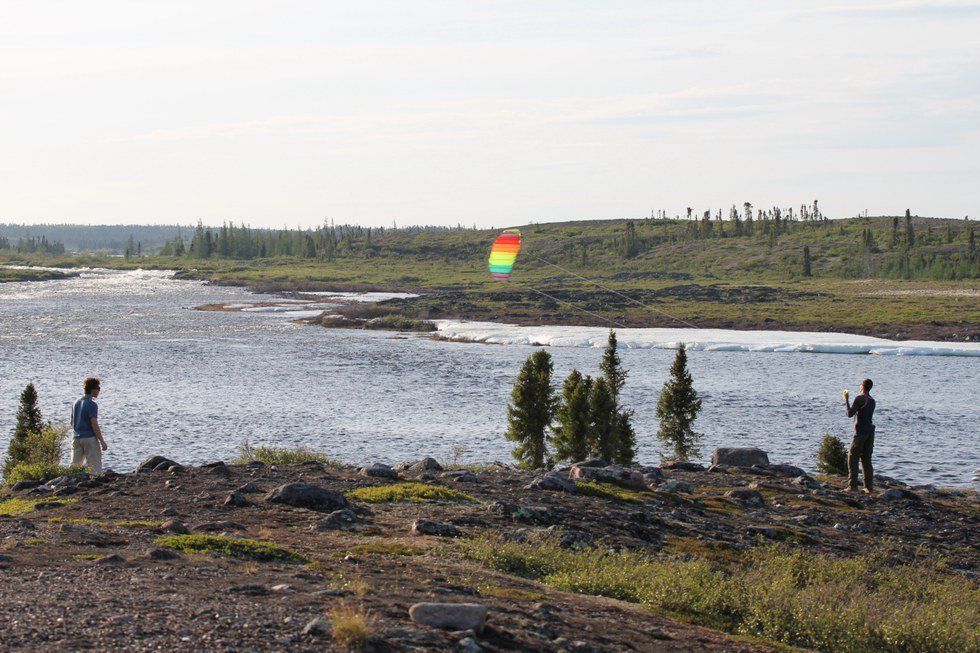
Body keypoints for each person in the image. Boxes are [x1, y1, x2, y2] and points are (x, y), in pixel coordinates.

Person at [843, 378, 875, 493]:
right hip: (870, 432)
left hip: (860, 432)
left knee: (852, 458)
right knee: (866, 459)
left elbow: (849, 414)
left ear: (862, 386)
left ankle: (852, 486)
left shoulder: (860, 398)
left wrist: (846, 400)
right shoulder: (872, 400)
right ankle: (868, 487)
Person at [70, 377, 107, 474]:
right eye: (98, 388)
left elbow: (72, 422)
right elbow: (94, 424)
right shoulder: (92, 404)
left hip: (76, 438)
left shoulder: (76, 402)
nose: (99, 391)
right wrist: (102, 441)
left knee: (74, 467)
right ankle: (95, 484)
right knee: (95, 467)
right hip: (89, 438)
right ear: (93, 389)